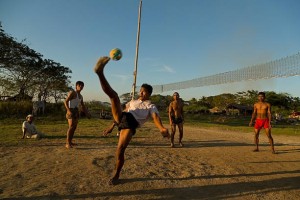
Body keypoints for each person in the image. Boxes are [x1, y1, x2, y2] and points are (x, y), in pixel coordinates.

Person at [94, 56, 170, 185]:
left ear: (149, 94)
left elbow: (155, 117)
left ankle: (117, 175)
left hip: (131, 123)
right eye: (141, 91)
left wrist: (161, 128)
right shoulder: (133, 101)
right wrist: (112, 126)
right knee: (114, 96)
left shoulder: (150, 105)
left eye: (144, 92)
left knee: (120, 150)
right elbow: (122, 112)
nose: (141, 93)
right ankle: (100, 72)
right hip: (122, 118)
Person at [64, 81, 91, 149]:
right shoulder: (72, 93)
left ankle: (70, 141)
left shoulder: (81, 96)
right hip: (70, 110)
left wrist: (87, 113)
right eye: (79, 85)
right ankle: (67, 143)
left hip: (76, 111)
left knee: (74, 127)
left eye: (82, 86)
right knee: (71, 126)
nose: (81, 87)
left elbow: (83, 106)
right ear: (76, 86)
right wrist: (68, 110)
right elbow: (65, 101)